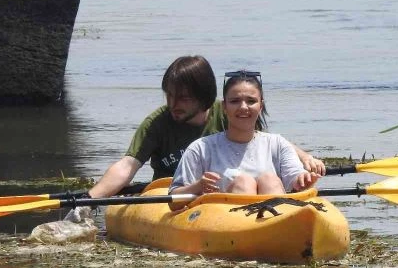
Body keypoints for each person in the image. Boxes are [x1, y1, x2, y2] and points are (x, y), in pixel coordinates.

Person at [87, 56, 324, 198]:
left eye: (183, 98)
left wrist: (303, 159)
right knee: (244, 183)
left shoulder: (231, 111)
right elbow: (127, 166)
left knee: (266, 180)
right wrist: (91, 198)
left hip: (233, 191)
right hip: (181, 193)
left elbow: (264, 141)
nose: (173, 104)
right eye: (169, 96)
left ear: (205, 99)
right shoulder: (159, 124)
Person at [168, 70, 321, 207]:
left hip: (275, 221)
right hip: (225, 224)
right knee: (244, 182)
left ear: (261, 106)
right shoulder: (200, 148)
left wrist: (303, 180)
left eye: (251, 101)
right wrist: (198, 186)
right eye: (235, 101)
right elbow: (173, 202)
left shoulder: (278, 144)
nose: (243, 107)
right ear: (224, 107)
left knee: (270, 180)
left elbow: (294, 176)